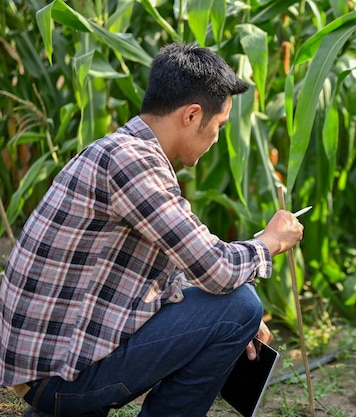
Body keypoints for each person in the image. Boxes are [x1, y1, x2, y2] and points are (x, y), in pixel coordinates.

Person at [0, 43, 304, 417]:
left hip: (46, 368)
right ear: (192, 115)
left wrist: (215, 320)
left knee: (233, 308)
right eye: (219, 126)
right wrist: (269, 242)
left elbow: (178, 272)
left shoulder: (118, 151)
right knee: (240, 305)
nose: (217, 138)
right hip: (58, 379)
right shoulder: (133, 163)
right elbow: (218, 269)